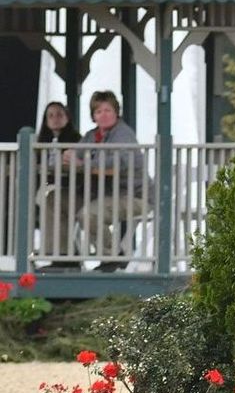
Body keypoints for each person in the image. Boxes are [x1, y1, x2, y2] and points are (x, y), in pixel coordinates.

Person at [65, 91, 150, 272]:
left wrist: (82, 163)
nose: (103, 115)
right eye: (98, 112)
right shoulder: (91, 136)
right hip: (104, 196)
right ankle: (61, 257)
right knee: (55, 200)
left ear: (116, 112)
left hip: (135, 197)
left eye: (108, 110)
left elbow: (117, 164)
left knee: (89, 214)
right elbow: (72, 155)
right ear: (93, 116)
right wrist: (65, 156)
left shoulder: (123, 134)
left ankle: (112, 257)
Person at [36, 101, 83, 270]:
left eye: (59, 115)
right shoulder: (40, 142)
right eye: (51, 115)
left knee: (50, 200)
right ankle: (59, 254)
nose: (55, 119)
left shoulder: (76, 139)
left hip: (69, 189)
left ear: (67, 118)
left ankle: (60, 255)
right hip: (47, 187)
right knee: (43, 198)